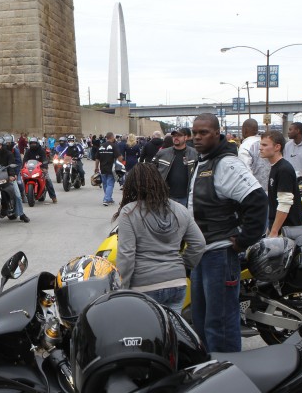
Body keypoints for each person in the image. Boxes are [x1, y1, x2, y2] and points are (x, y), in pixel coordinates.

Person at [188, 113, 267, 353]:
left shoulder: (226, 163)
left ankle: (229, 375)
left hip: (220, 255)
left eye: (204, 133)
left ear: (217, 133)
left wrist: (243, 240)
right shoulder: (203, 161)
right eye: (195, 133)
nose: (197, 137)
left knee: (219, 323)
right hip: (202, 253)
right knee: (200, 320)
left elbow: (257, 200)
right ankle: (207, 373)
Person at [114, 163, 205, 314]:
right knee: (171, 333)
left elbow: (126, 256)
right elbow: (199, 244)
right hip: (176, 283)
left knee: (146, 335)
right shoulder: (180, 209)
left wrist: (121, 290)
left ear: (132, 186)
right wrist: (182, 266)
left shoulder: (129, 212)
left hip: (143, 285)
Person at [259, 131, 302, 236]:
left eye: (264, 145)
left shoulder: (284, 169)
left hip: (288, 230)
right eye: (260, 144)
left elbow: (285, 203)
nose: (260, 148)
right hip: (280, 229)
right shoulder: (275, 166)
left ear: (277, 147)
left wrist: (274, 231)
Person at [0, 137, 29, 223]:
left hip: (7, 177)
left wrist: (12, 175)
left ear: (2, 145)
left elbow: (11, 164)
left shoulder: (9, 154)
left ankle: (21, 214)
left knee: (17, 195)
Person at [153, 127, 198, 207]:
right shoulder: (162, 153)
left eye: (179, 135)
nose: (176, 138)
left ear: (186, 137)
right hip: (167, 196)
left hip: (186, 197)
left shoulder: (194, 154)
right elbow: (151, 170)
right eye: (174, 136)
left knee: (184, 219)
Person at [238, 118, 270, 192]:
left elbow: (245, 172)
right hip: (270, 190)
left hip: (255, 192)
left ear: (245, 130)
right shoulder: (265, 143)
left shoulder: (245, 146)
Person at [23, 137, 57, 203]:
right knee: (22, 180)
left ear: (37, 143)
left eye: (34, 143)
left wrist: (44, 167)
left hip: (41, 169)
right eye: (31, 143)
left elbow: (44, 159)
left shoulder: (41, 150)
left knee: (48, 180)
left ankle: (53, 197)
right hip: (30, 169)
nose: (33, 145)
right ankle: (22, 196)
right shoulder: (28, 151)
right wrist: (22, 168)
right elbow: (25, 160)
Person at [95, 132, 121, 206]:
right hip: (111, 169)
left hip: (102, 168)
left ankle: (109, 198)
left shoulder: (101, 146)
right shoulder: (114, 146)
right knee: (110, 184)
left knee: (105, 184)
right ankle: (106, 199)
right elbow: (119, 157)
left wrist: (96, 167)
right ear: (112, 137)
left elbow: (97, 158)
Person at [3, 133, 27, 203]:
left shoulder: (15, 150)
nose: (7, 144)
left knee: (19, 182)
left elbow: (19, 162)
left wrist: (16, 173)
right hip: (3, 171)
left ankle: (23, 195)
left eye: (9, 143)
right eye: (6, 143)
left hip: (14, 171)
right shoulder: (1, 151)